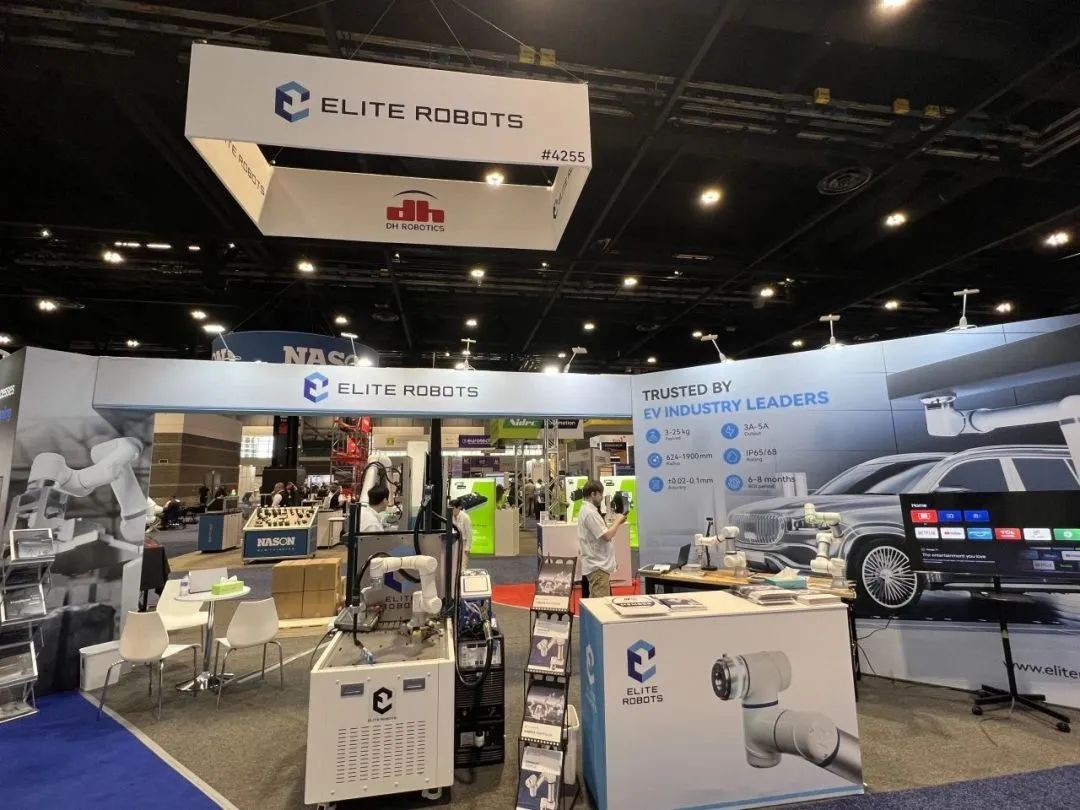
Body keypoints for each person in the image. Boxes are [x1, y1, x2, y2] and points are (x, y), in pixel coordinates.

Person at [577, 479, 626, 598]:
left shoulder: (588, 511)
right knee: (600, 605)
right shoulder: (590, 513)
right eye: (600, 494)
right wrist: (617, 521)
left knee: (597, 602)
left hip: (598, 565)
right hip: (598, 567)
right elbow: (607, 536)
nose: (602, 497)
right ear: (593, 494)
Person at [451, 498, 474, 571]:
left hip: (463, 544)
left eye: (453, 508)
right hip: (454, 543)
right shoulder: (451, 517)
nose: (451, 510)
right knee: (454, 566)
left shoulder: (465, 517)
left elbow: (469, 534)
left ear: (459, 507)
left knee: (462, 567)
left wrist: (468, 547)